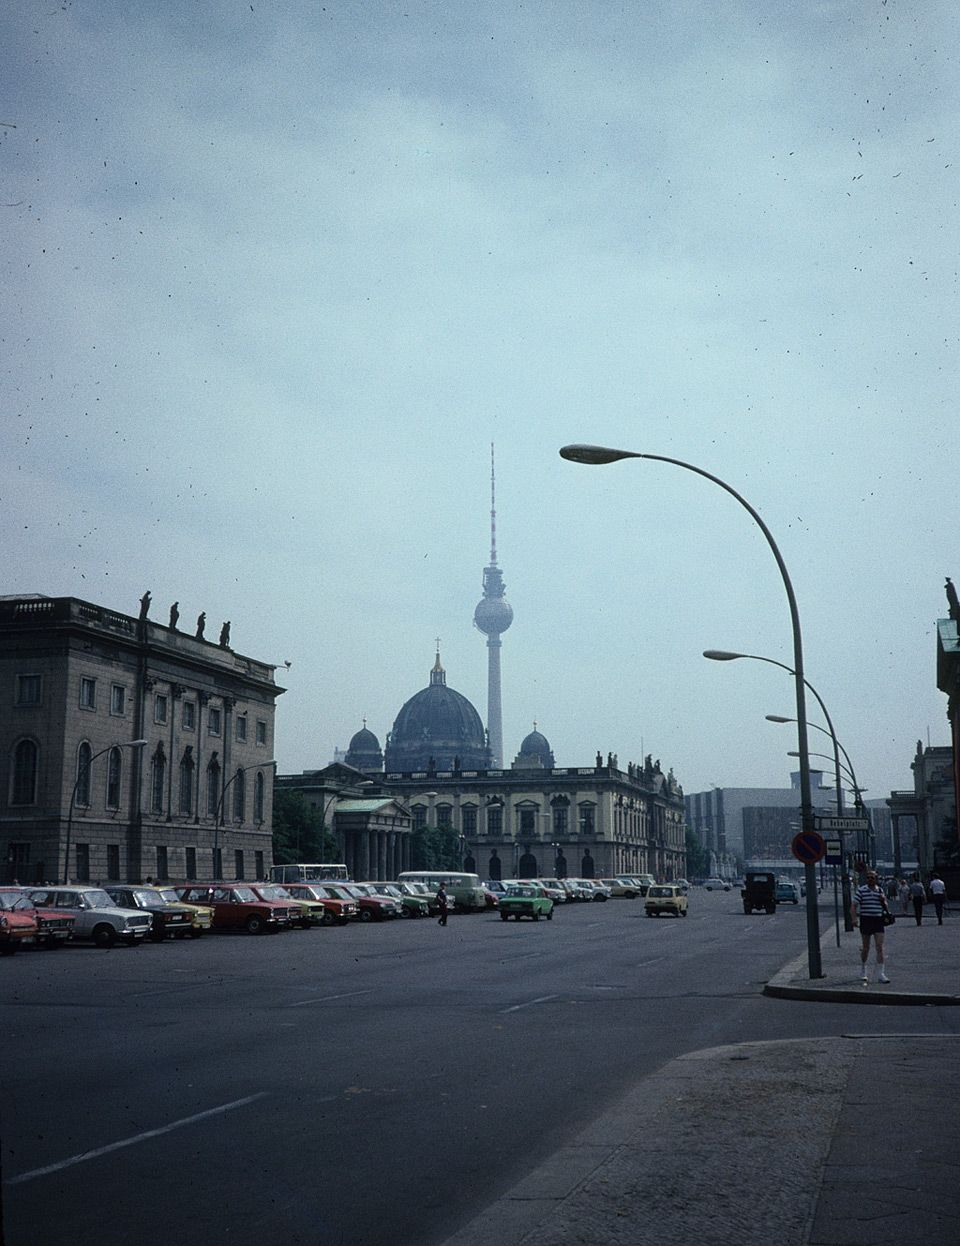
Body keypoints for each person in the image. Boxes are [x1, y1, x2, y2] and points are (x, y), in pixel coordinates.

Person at [853, 868, 890, 985]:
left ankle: (881, 974)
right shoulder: (861, 890)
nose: (870, 879)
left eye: (872, 877)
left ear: (876, 879)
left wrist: (883, 901)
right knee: (866, 947)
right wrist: (854, 918)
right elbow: (854, 905)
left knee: (879, 946)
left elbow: (886, 906)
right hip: (866, 919)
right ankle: (863, 970)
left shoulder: (880, 890)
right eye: (868, 877)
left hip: (878, 920)